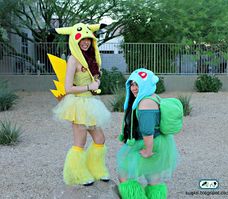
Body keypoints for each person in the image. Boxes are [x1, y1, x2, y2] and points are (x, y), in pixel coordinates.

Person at [49, 23, 111, 186]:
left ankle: (95, 169)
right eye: (81, 39)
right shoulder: (73, 59)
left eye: (88, 39)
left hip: (91, 103)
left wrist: (96, 80)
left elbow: (93, 77)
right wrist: (88, 87)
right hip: (77, 105)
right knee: (80, 141)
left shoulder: (91, 57)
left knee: (100, 138)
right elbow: (67, 88)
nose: (85, 42)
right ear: (74, 41)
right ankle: (78, 174)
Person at [117, 68, 179, 199]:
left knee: (124, 176)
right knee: (153, 179)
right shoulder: (152, 97)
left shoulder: (145, 103)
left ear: (146, 84)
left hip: (149, 143)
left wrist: (147, 150)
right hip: (159, 142)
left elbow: (147, 130)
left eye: (138, 84)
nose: (134, 88)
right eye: (132, 84)